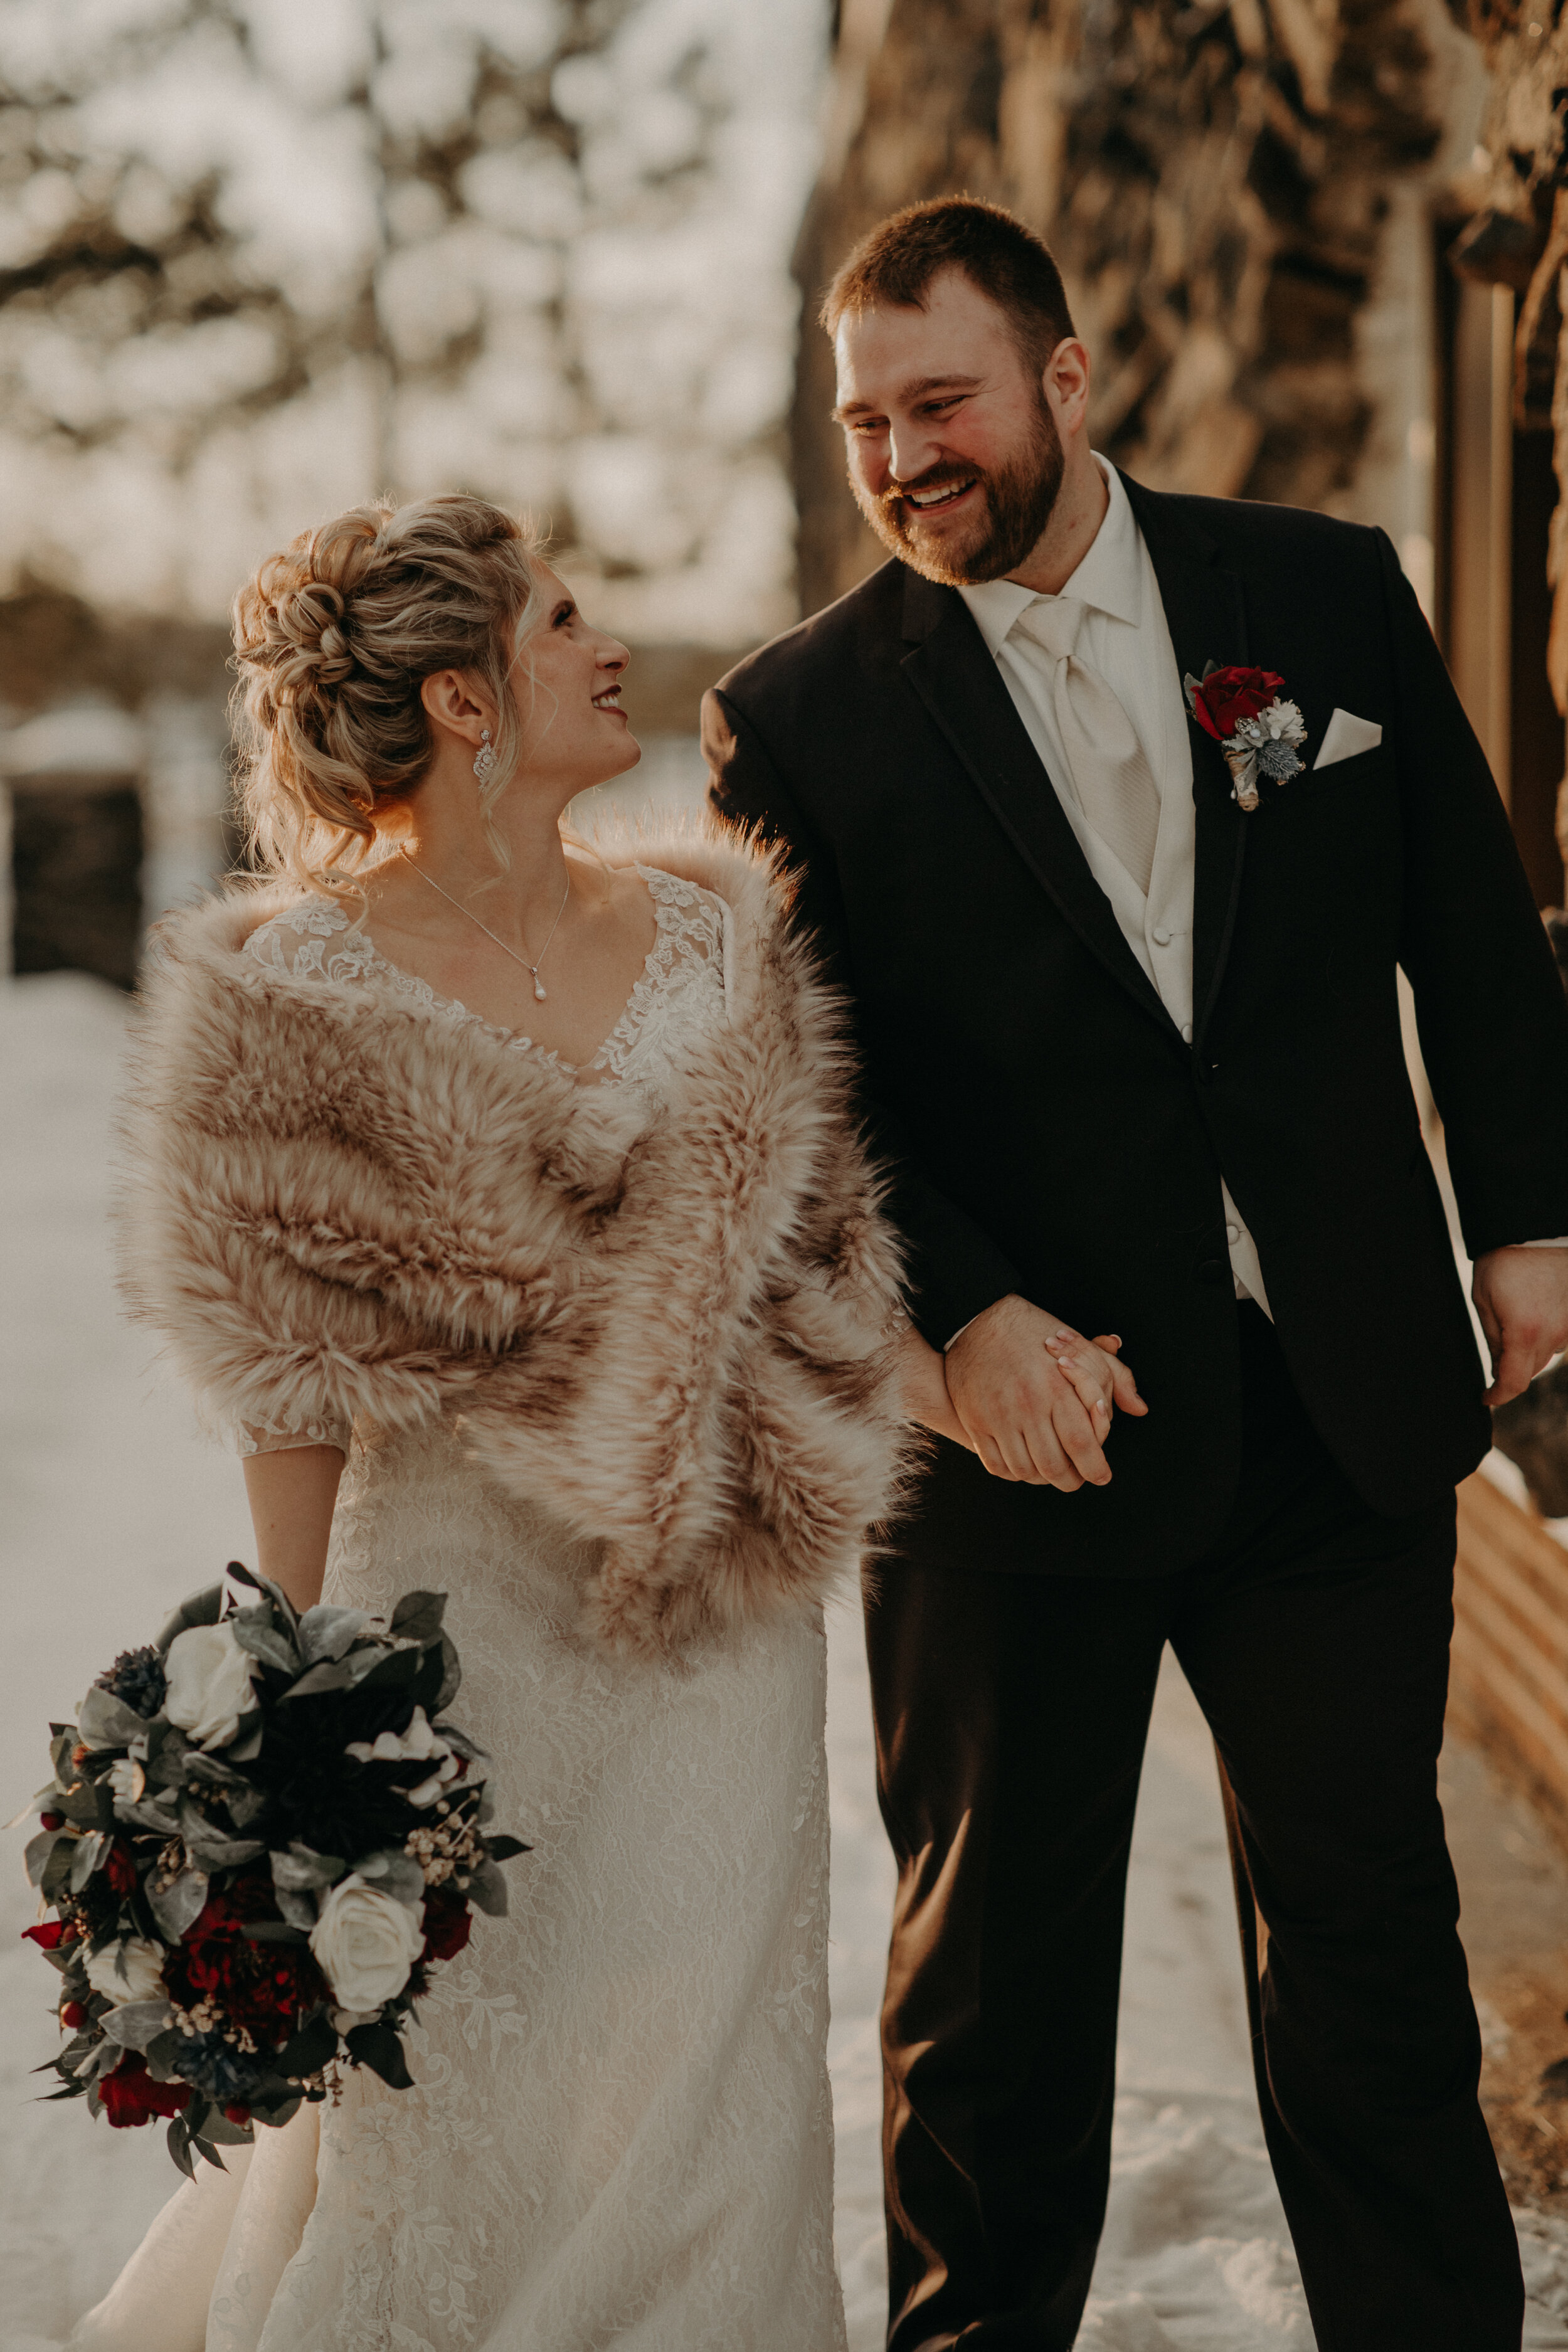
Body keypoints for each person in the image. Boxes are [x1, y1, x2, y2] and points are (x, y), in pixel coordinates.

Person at [704, 196, 1568, 2352]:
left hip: (1336, 1398)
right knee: (989, 1998)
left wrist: (1528, 1227)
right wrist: (966, 1318)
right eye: (860, 421)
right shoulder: (797, 717)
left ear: (1065, 380)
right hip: (1023, 1441)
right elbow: (812, 1100)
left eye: (941, 403)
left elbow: (1468, 918)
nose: (900, 456)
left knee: (1370, 1948)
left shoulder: (1320, 592)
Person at [85, 492, 923, 2352]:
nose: (605, 645)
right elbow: (281, 1376)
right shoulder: (282, 990)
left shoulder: (721, 942)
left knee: (711, 2093)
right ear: (463, 701)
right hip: (453, 1627)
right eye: (559, 621)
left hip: (715, 1620)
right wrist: (287, 1705)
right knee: (461, 2084)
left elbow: (825, 1268)